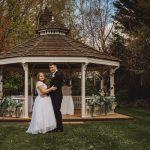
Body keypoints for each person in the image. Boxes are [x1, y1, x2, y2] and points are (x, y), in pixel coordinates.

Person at [49, 63, 64, 132]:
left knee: (57, 111)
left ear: (56, 67)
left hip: (57, 95)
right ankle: (57, 126)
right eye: (50, 68)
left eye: (52, 67)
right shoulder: (55, 74)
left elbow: (55, 87)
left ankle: (59, 128)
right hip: (54, 95)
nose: (51, 69)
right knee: (55, 111)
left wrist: (46, 92)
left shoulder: (59, 73)